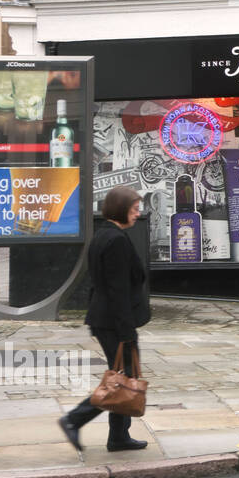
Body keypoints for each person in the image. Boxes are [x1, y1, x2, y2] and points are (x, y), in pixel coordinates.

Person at [58, 186, 152, 452]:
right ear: (121, 209)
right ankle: (74, 419)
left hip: (105, 318)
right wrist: (126, 331)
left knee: (123, 376)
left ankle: (119, 437)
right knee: (122, 379)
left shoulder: (103, 235)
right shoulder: (117, 240)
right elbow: (117, 289)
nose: (137, 214)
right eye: (134, 209)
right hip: (114, 321)